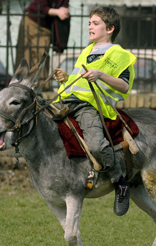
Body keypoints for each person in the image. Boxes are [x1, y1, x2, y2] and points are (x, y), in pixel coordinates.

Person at [53, 6, 136, 216]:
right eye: (90, 23)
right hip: (66, 102)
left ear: (110, 28)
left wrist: (101, 75)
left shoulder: (120, 55)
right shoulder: (87, 51)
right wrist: (65, 78)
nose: (90, 26)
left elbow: (124, 87)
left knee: (97, 147)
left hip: (90, 107)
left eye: (95, 23)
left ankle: (120, 182)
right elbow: (78, 81)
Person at [15, 0, 70, 90]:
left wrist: (64, 11)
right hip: (32, 20)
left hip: (46, 26)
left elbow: (63, 6)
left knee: (42, 55)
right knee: (27, 55)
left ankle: (42, 86)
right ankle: (23, 85)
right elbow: (42, 7)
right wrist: (58, 12)